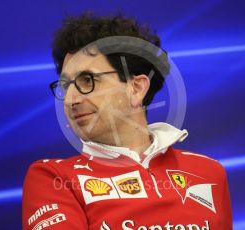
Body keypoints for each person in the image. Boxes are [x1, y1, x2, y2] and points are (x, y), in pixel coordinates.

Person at [22, 12, 232, 230]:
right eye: (66, 86)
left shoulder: (208, 171)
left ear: (137, 88)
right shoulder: (53, 178)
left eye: (88, 80)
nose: (71, 100)